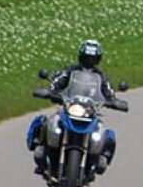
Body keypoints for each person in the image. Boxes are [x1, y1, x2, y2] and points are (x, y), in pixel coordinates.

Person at [32, 38, 119, 175]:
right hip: (71, 107)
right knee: (49, 122)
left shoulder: (100, 76)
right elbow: (57, 81)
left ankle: (99, 159)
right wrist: (51, 91)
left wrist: (113, 100)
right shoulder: (70, 70)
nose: (89, 61)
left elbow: (109, 92)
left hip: (89, 111)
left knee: (105, 134)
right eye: (86, 58)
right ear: (81, 56)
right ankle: (41, 148)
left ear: (97, 59)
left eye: (92, 58)